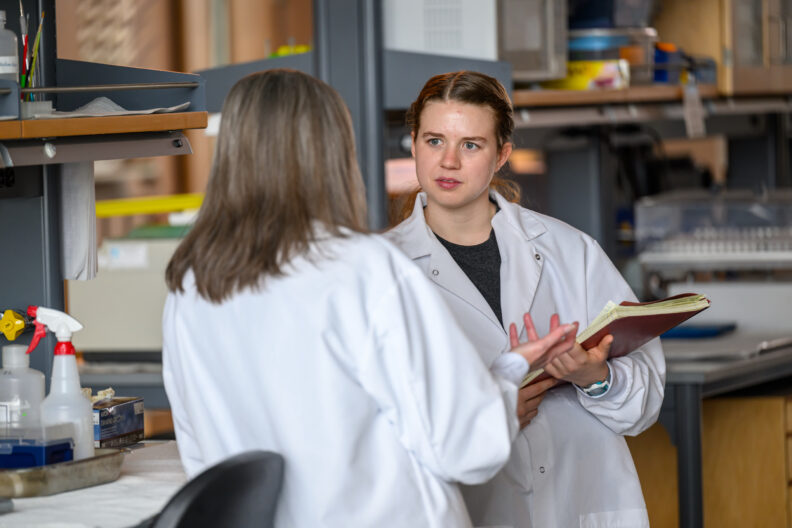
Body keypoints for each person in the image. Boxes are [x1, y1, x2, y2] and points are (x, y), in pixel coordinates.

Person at [161, 69, 578, 527]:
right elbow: (464, 448)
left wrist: (508, 367)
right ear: (332, 151)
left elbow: (201, 454)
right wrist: (505, 379)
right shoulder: (364, 267)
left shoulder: (191, 285)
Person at [385, 71, 666, 528]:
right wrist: (487, 415)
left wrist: (597, 377)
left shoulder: (569, 250)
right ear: (413, 143)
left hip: (582, 496)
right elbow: (377, 429)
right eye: (435, 141)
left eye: (471, 145)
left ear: (502, 156)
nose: (449, 161)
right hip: (476, 509)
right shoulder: (383, 271)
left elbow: (645, 403)